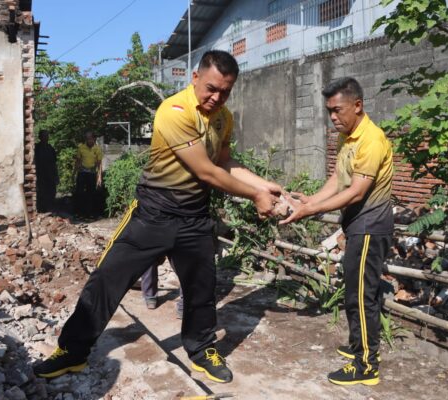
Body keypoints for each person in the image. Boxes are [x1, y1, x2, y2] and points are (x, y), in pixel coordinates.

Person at [33, 50, 281, 383]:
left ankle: (201, 349)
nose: (217, 97)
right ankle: (71, 352)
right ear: (195, 78)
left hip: (194, 217)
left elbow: (224, 162)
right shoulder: (175, 110)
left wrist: (268, 186)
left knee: (202, 289)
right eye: (211, 88)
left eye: (225, 91)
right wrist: (255, 195)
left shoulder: (223, 117)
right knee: (107, 280)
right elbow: (206, 171)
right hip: (154, 213)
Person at [280, 77, 393, 386]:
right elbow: (337, 179)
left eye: (337, 110)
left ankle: (367, 365)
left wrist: (311, 211)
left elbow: (356, 193)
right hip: (357, 226)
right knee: (354, 292)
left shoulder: (371, 140)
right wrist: (310, 199)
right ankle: (360, 346)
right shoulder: (349, 137)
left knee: (363, 296)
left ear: (357, 106)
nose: (332, 117)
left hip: (370, 226)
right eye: (328, 110)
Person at [74, 131, 103, 217]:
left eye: (90, 138)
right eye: (87, 139)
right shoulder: (81, 148)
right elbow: (78, 162)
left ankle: (90, 213)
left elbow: (99, 164)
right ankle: (79, 213)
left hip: (92, 173)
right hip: (82, 173)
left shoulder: (97, 149)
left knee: (91, 193)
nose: (89, 140)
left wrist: (99, 177)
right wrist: (74, 173)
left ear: (94, 139)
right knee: (80, 193)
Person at [34, 130, 59, 212]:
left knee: (51, 191)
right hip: (40, 173)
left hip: (50, 173)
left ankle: (50, 208)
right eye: (44, 136)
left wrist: (56, 176)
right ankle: (41, 209)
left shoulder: (50, 148)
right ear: (40, 137)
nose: (46, 138)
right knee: (41, 191)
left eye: (47, 136)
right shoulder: (36, 148)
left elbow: (54, 163)